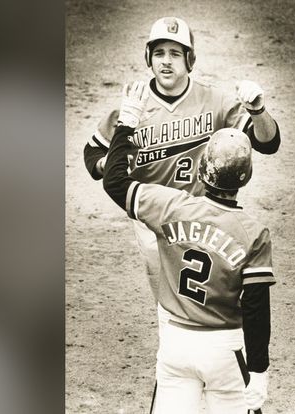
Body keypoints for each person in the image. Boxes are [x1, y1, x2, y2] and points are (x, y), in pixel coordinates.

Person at [102, 80, 274, 413]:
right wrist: (259, 370)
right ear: (246, 177)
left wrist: (126, 124)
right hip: (225, 349)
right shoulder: (253, 232)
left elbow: (114, 181)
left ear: (200, 169)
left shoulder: (168, 206)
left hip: (175, 346)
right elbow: (255, 307)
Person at [83, 16, 281, 301]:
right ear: (148, 58)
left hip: (203, 213)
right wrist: (111, 162)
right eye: (159, 53)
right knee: (166, 298)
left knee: (205, 294)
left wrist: (259, 111)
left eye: (175, 54)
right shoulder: (133, 106)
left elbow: (268, 143)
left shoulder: (215, 101)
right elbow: (93, 152)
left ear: (190, 59)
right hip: (150, 218)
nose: (166, 61)